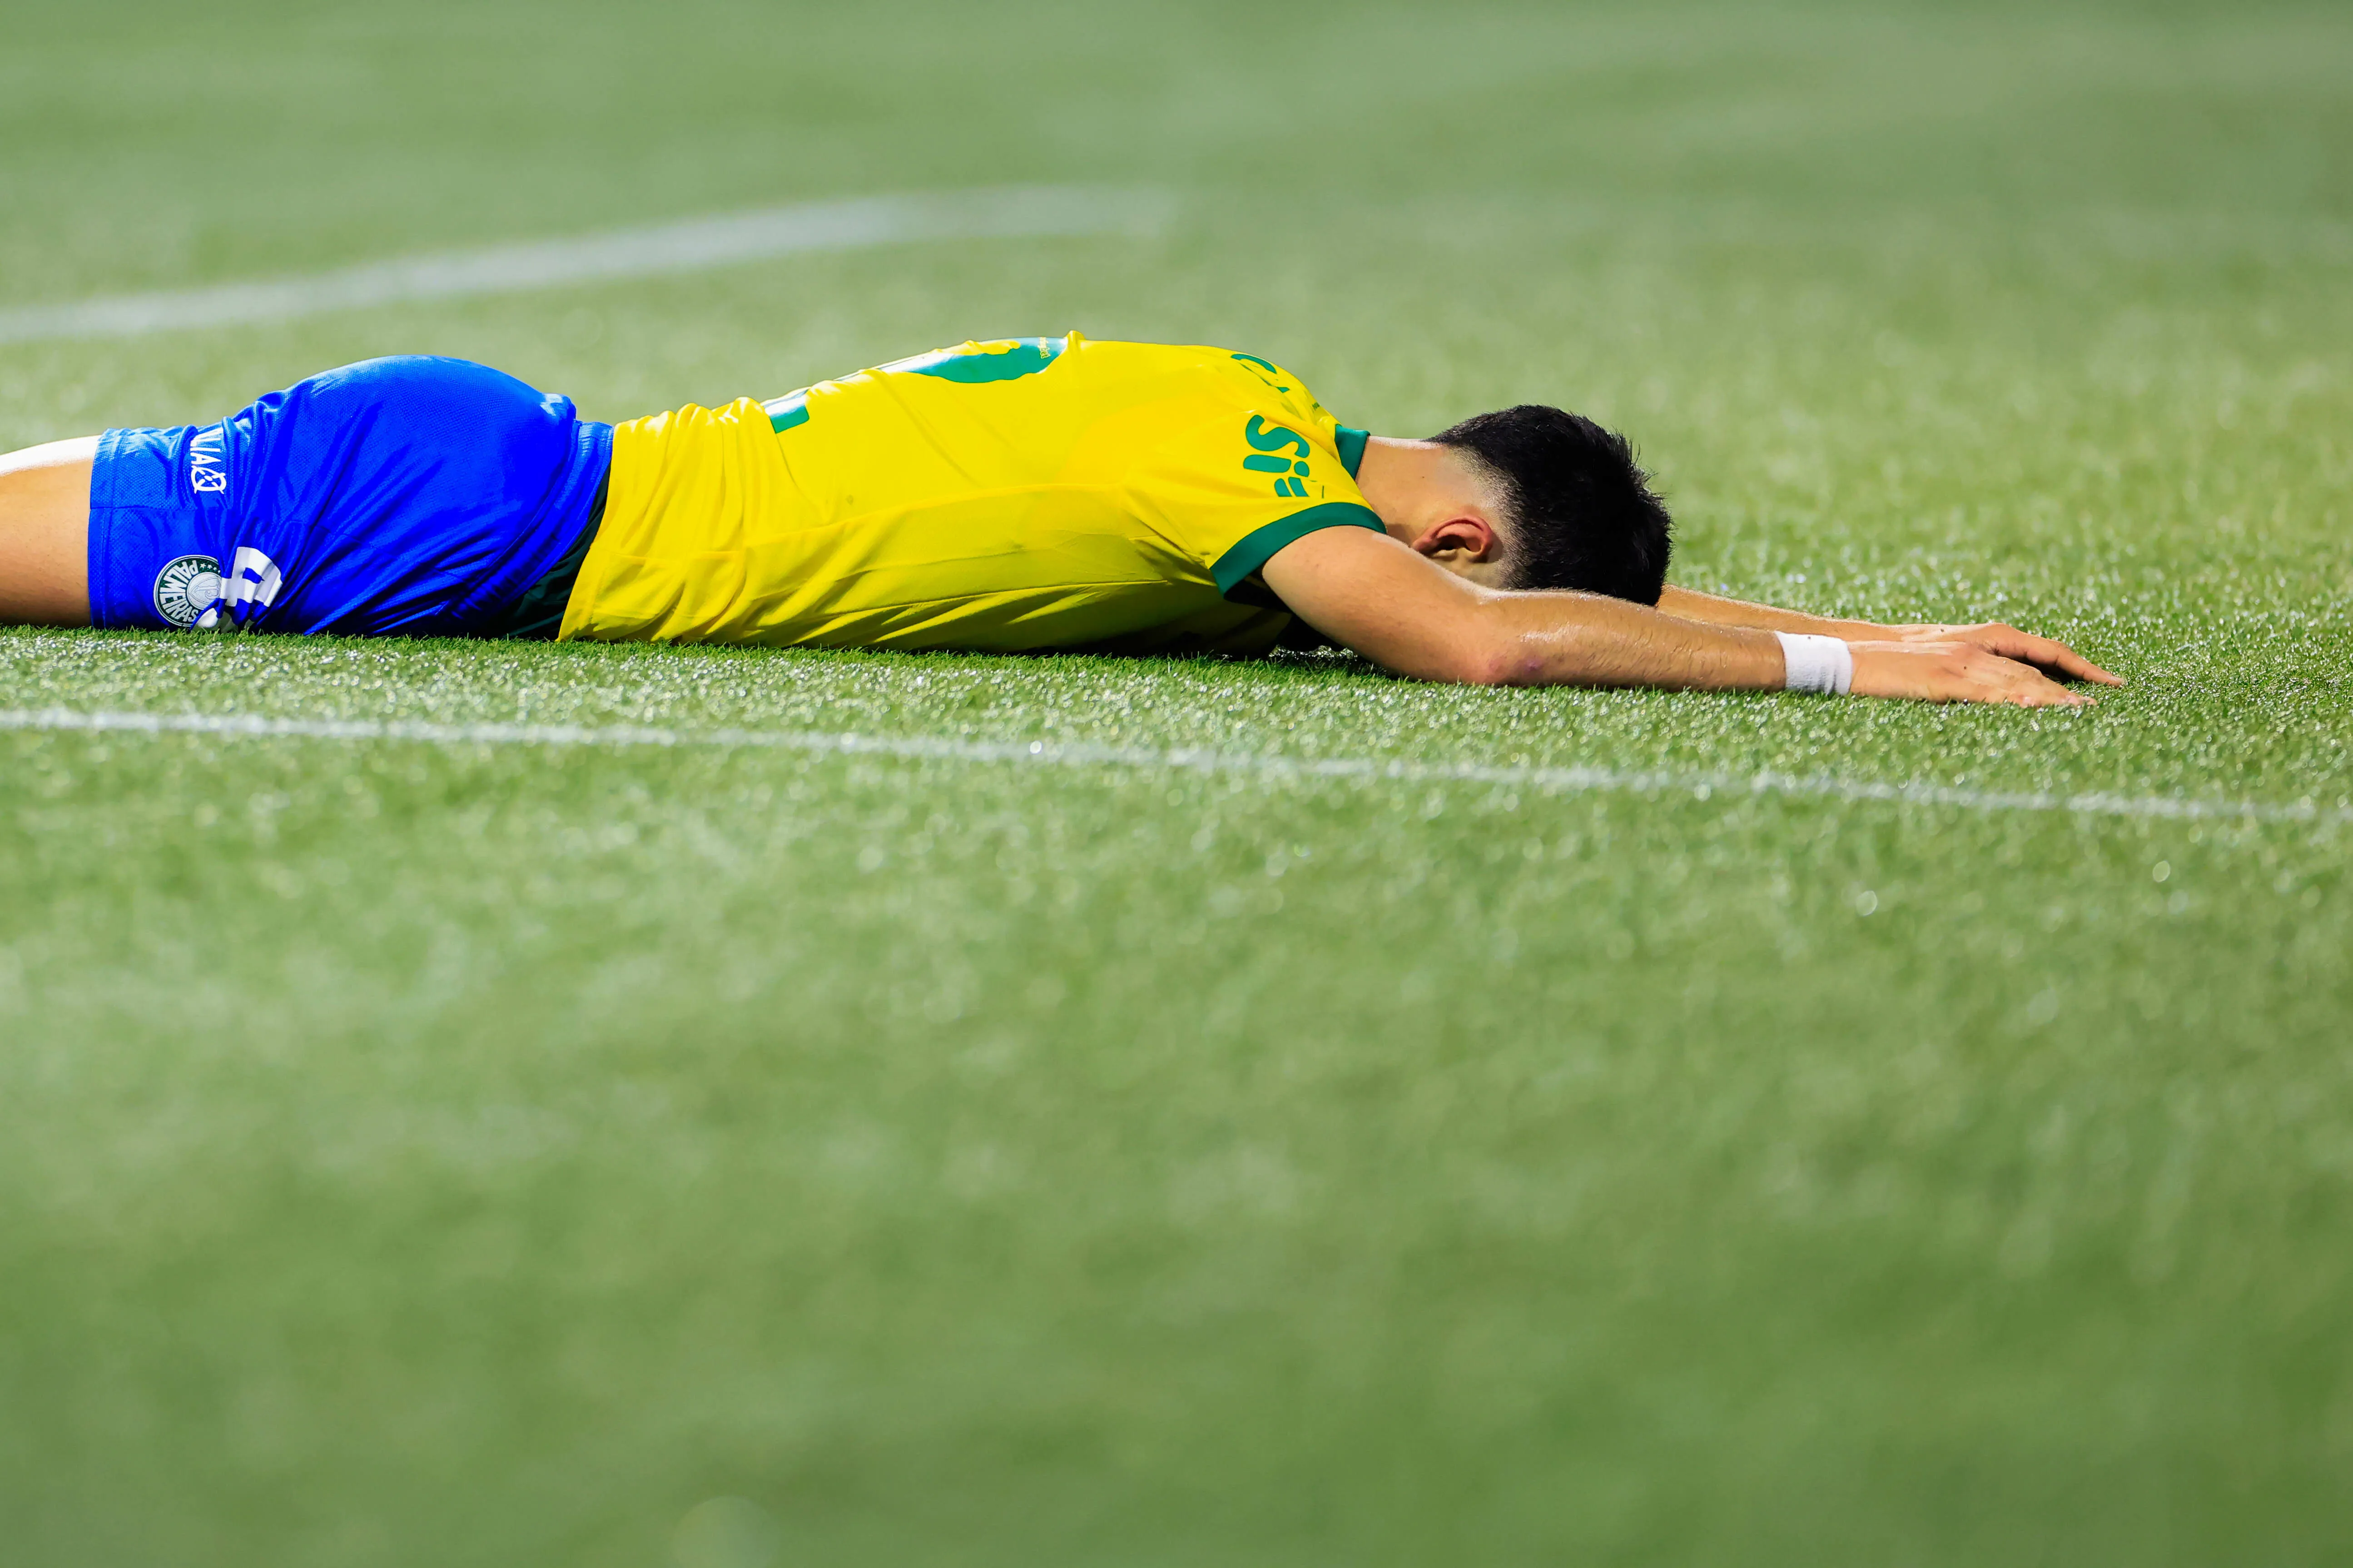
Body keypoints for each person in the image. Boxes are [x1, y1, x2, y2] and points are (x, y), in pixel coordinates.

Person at [0, 336, 2115, 704]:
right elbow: (1488, 638)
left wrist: (1872, 624)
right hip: (469, 521)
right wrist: (1870, 668)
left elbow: (1543, 598)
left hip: (485, 478)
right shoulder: (1244, 490)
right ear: (1455, 528)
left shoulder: (1254, 433)